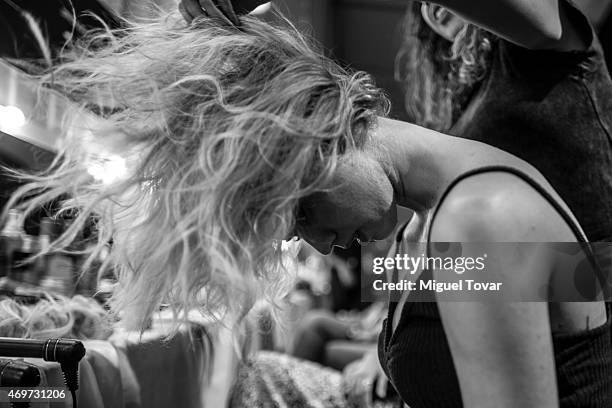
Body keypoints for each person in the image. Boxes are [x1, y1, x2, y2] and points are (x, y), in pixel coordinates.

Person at [3, 4, 612, 408]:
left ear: (315, 139)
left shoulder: (482, 219)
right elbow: (565, 307)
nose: (318, 243)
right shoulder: (432, 225)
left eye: (301, 215)